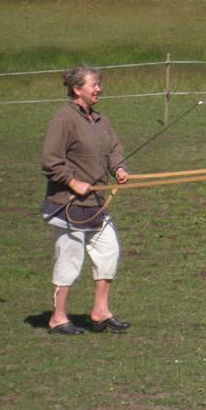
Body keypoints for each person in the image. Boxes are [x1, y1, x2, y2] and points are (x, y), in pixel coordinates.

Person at [40, 64, 131, 335]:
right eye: (93, 85)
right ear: (77, 89)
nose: (99, 89)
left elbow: (113, 149)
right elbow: (50, 160)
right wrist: (72, 181)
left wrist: (119, 168)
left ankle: (100, 312)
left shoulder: (101, 121)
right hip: (68, 204)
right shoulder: (64, 120)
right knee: (69, 260)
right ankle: (58, 317)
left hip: (96, 205)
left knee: (109, 252)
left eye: (99, 84)